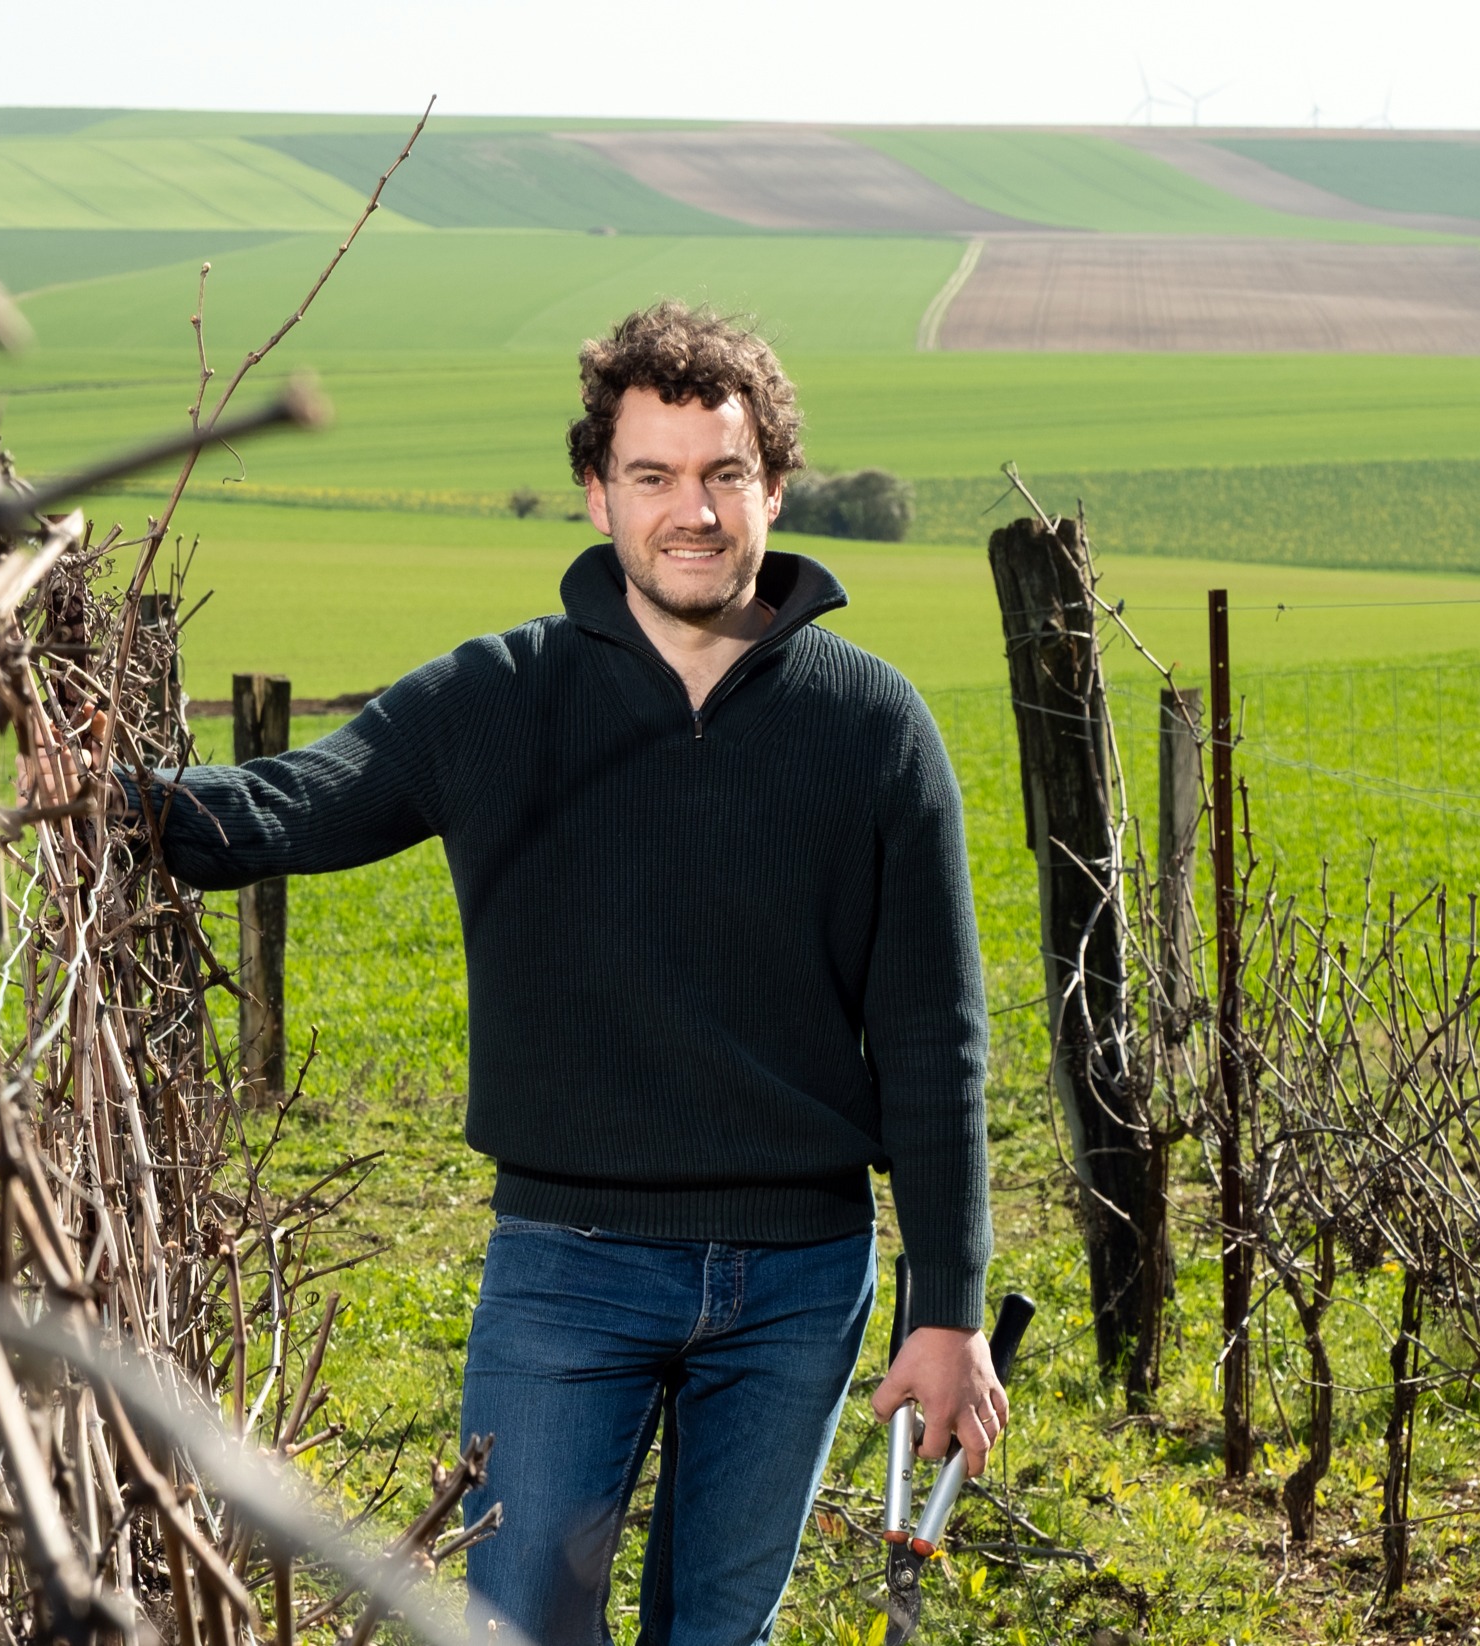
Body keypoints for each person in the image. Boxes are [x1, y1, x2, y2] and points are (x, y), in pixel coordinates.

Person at [110, 302, 1000, 1645]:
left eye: (723, 474)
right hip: (567, 1271)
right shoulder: (497, 699)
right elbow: (297, 802)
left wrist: (948, 1310)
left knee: (716, 1636)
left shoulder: (873, 726)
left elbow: (934, 1038)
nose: (691, 511)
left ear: (774, 486)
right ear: (597, 490)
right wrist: (111, 798)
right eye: (652, 475)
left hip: (800, 1279)